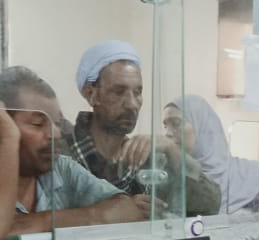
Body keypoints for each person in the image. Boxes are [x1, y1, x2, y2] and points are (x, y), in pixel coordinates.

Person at [0, 66, 144, 240]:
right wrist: (6, 140)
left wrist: (45, 220)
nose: (56, 134)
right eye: (38, 124)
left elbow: (127, 209)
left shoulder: (61, 168)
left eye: (58, 123)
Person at [72, 40, 220, 216]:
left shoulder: (147, 159)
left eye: (137, 92)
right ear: (91, 94)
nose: (132, 104)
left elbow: (211, 203)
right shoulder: (62, 155)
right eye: (119, 92)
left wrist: (173, 152)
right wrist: (116, 211)